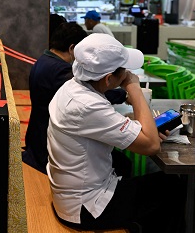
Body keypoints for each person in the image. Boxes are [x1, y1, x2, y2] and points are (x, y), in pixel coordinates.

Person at [47, 33, 186, 232]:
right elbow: (151, 146)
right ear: (109, 79)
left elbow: (100, 125)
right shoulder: (88, 105)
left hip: (69, 194)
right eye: (124, 71)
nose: (128, 74)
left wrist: (140, 130)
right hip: (84, 208)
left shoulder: (72, 87)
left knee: (124, 164)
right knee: (171, 186)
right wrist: (134, 88)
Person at [24, 22, 130, 175]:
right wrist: (125, 95)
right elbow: (89, 90)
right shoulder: (60, 70)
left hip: (36, 138)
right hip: (44, 149)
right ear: (72, 48)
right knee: (120, 161)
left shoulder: (43, 60)